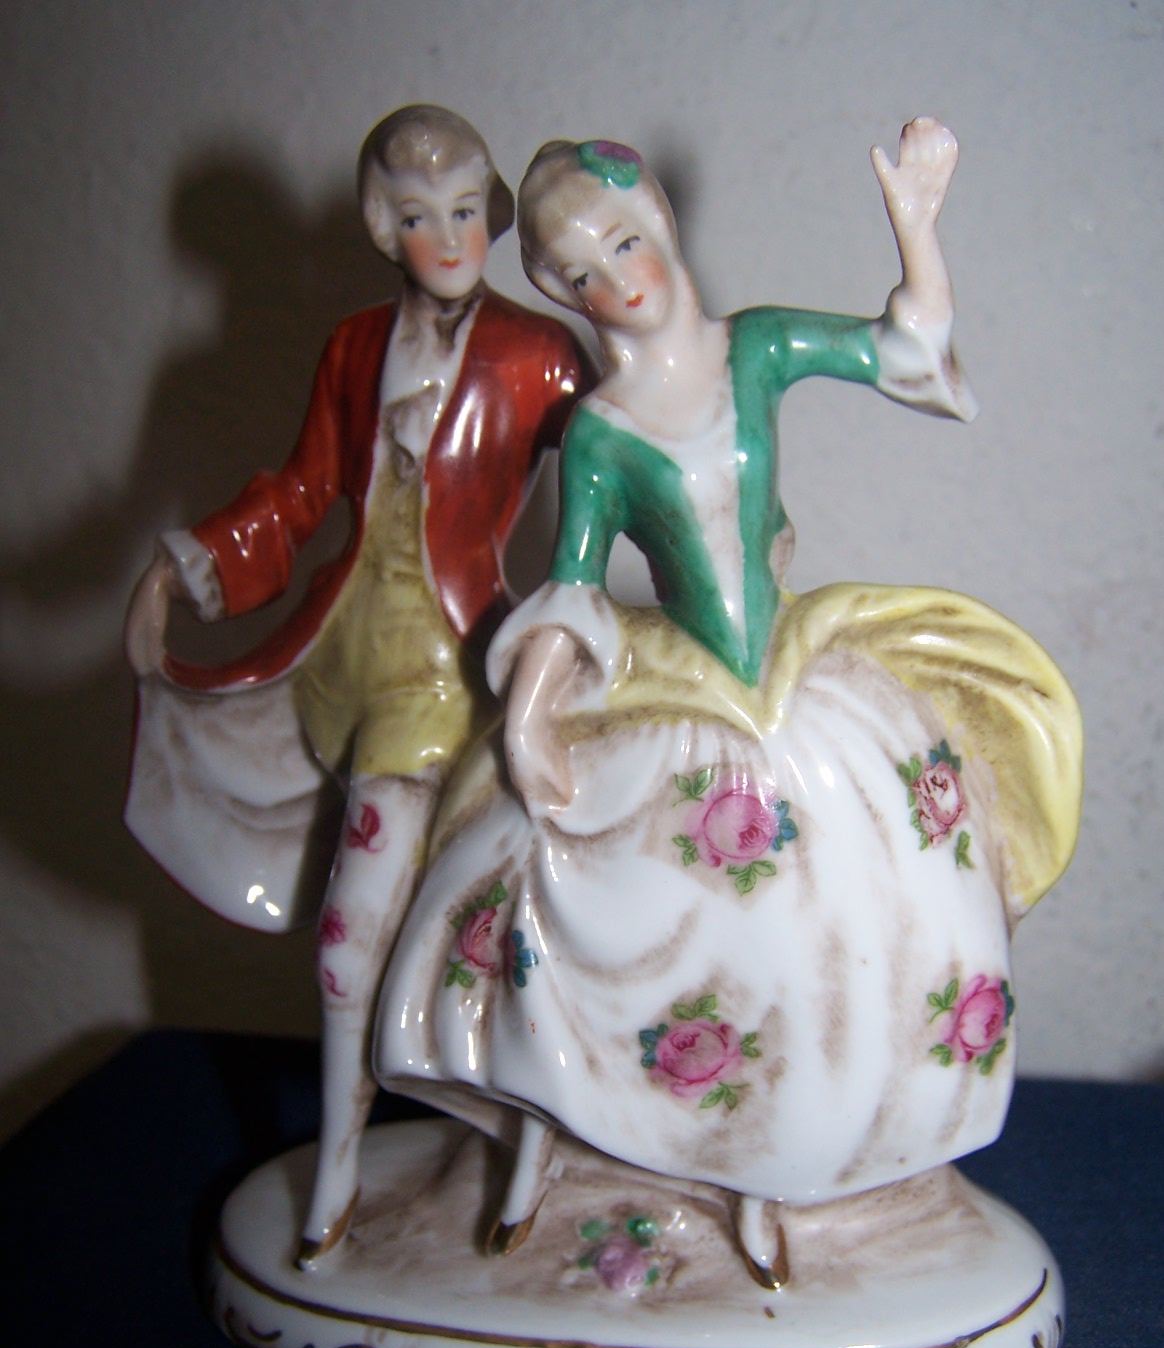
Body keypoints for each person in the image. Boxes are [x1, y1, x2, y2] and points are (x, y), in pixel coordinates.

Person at [370, 123, 1081, 1285]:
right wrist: (535, 713)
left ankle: (788, 1173)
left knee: (857, 906)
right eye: (580, 274)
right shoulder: (601, 432)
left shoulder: (757, 347)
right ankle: (601, 1140)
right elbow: (573, 581)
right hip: (685, 685)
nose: (617, 282)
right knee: (603, 898)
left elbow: (905, 348)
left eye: (625, 242)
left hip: (791, 669)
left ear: (660, 220)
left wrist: (916, 226)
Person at [124, 105, 592, 1265]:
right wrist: (190, 564)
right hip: (340, 657)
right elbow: (301, 492)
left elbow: (614, 465)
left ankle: (381, 1153)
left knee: (368, 941)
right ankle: (362, 1150)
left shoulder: (537, 353)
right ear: (385, 228)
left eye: (468, 210)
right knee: (401, 935)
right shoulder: (351, 348)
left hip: (448, 674)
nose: (451, 237)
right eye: (423, 216)